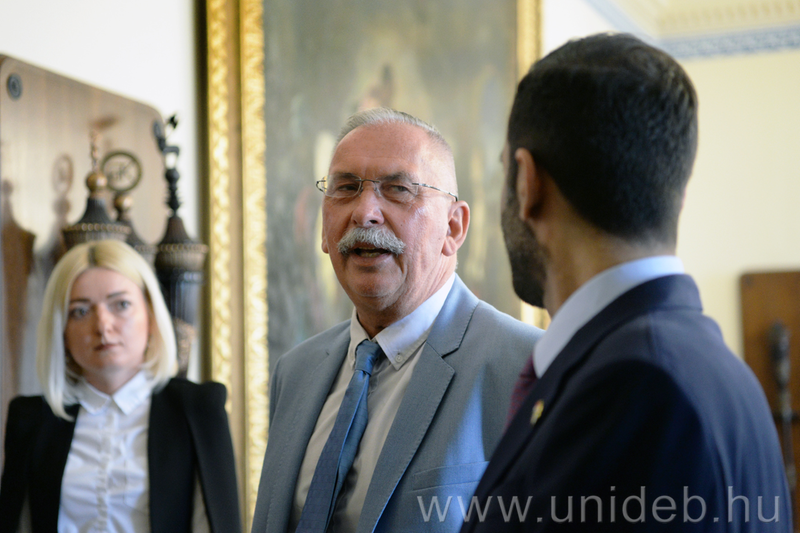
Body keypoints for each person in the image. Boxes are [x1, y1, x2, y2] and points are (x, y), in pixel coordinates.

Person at [461, 33, 792, 532]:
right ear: (673, 194)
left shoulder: (635, 387)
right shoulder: (723, 372)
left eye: (504, 171)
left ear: (527, 184)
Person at [251, 107, 543, 533]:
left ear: (454, 228)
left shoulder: (527, 365)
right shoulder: (295, 372)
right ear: (323, 228)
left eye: (398, 189)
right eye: (345, 188)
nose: (364, 213)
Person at [0, 239, 241, 533]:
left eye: (121, 305)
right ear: (61, 330)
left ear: (150, 314)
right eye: (80, 311)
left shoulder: (197, 409)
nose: (103, 325)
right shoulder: (31, 419)